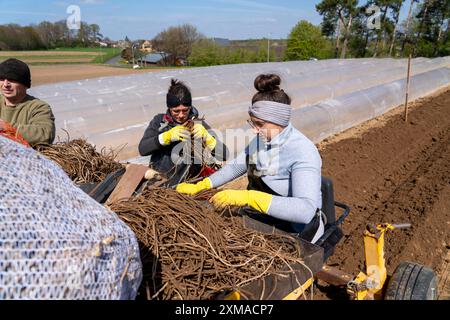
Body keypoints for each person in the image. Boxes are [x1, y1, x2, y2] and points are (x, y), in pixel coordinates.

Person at [176, 74, 324, 243]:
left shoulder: (303, 151)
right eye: (252, 123)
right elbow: (235, 167)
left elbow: (305, 211)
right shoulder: (263, 139)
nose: (254, 130)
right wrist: (202, 185)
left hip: (296, 234)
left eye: (259, 124)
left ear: (279, 120)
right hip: (265, 220)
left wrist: (249, 197)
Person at [138, 79, 227, 186]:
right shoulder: (159, 122)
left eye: (185, 110)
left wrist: (208, 138)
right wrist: (166, 137)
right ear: (169, 108)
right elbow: (143, 149)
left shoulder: (199, 125)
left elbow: (223, 155)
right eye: (176, 111)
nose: (181, 115)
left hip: (189, 185)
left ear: (190, 107)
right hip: (159, 183)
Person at [0, 58, 56, 146]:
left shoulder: (39, 107)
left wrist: (6, 127)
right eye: (2, 79)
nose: (6, 84)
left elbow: (45, 134)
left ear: (25, 84)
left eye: (12, 79)